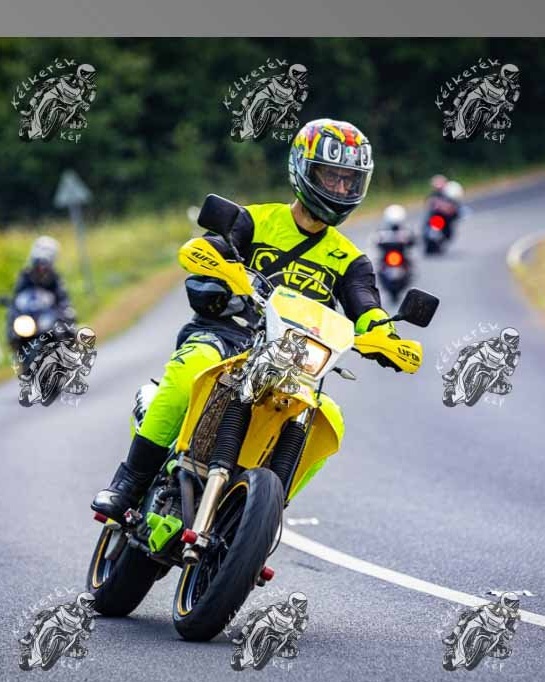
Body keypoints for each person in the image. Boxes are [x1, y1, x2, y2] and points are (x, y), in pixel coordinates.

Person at [93, 118, 402, 524]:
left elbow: (367, 305)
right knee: (192, 371)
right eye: (331, 176)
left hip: (294, 366)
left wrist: (387, 337)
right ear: (303, 169)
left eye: (350, 181)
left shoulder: (350, 259)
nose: (340, 189)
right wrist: (211, 258)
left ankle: (260, 513)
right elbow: (212, 246)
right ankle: (129, 484)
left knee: (329, 418)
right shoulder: (255, 220)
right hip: (226, 337)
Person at [12, 236, 73, 316]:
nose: (41, 268)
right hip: (26, 317)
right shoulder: (26, 275)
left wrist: (66, 310)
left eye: (44, 264)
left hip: (48, 317)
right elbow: (17, 297)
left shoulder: (55, 278)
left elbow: (63, 298)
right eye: (38, 263)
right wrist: (13, 308)